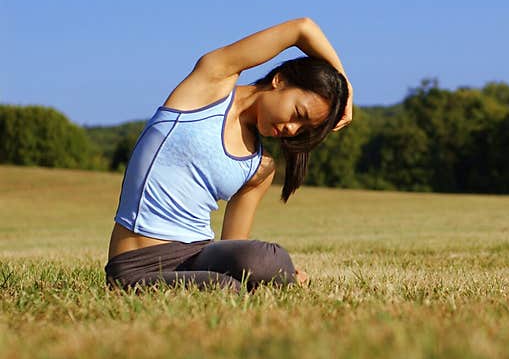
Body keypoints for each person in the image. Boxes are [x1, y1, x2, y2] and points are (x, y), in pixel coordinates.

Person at [104, 17, 352, 292]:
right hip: (136, 266)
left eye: (304, 128)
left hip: (197, 257)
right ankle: (268, 283)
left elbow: (234, 249)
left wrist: (268, 268)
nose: (292, 129)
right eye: (298, 114)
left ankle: (276, 278)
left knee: (264, 258)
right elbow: (301, 28)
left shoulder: (261, 166)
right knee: (225, 287)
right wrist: (345, 88)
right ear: (279, 81)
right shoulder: (210, 83)